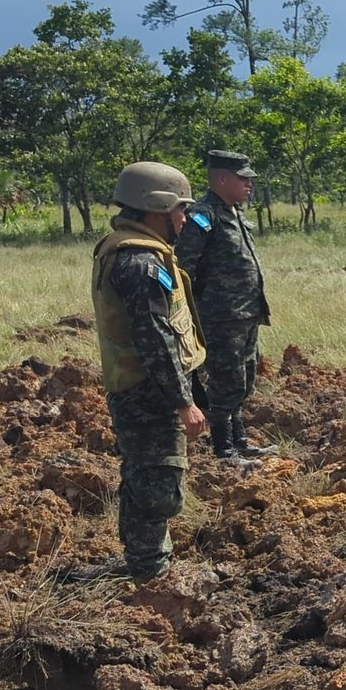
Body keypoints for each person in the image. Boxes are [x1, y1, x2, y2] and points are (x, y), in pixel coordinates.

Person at [90, 161, 209, 581]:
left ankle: (146, 560)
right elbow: (154, 338)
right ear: (157, 208)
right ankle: (149, 571)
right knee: (157, 482)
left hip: (141, 386)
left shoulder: (130, 250)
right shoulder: (140, 264)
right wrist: (183, 402)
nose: (184, 219)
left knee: (143, 474)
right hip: (148, 392)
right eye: (180, 210)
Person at [175, 149, 274, 463]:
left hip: (245, 315)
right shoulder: (204, 216)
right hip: (220, 318)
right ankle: (224, 449)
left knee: (243, 381)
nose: (249, 185)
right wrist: (188, 315)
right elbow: (185, 267)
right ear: (221, 178)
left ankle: (240, 441)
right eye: (242, 179)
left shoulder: (234, 215)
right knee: (225, 383)